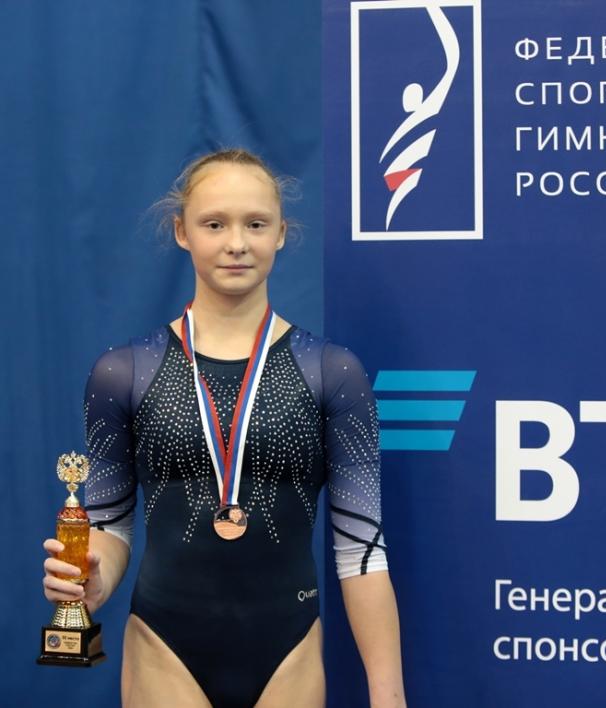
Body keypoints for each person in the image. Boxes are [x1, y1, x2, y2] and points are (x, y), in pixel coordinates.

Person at [42, 148, 406, 708]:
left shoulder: (332, 372)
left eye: (255, 224)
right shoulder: (124, 372)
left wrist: (389, 697)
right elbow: (110, 525)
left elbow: (362, 550)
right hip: (164, 646)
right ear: (181, 232)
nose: (237, 243)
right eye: (214, 224)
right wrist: (95, 581)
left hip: (288, 651)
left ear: (281, 233)